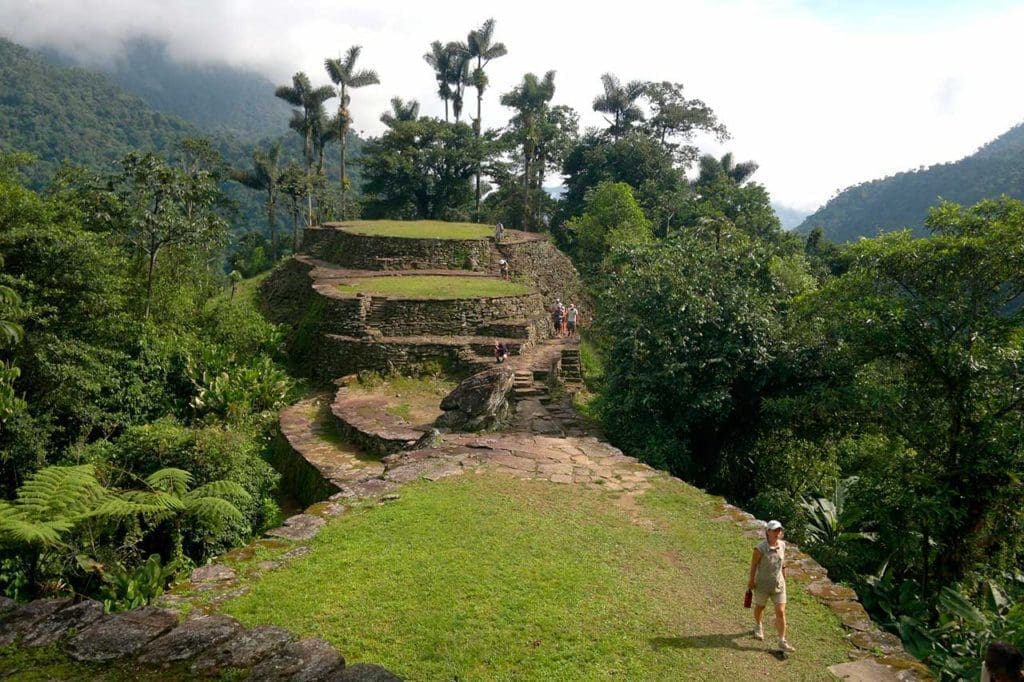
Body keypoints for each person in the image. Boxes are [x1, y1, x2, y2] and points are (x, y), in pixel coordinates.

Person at [748, 520, 794, 652]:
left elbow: (783, 563)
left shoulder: (783, 545)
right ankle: (758, 625)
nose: (778, 532)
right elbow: (754, 566)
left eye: (779, 530)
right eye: (775, 530)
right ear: (767, 532)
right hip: (762, 585)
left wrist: (784, 578)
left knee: (780, 611)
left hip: (778, 585)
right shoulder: (759, 548)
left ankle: (782, 640)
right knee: (760, 607)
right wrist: (751, 581)